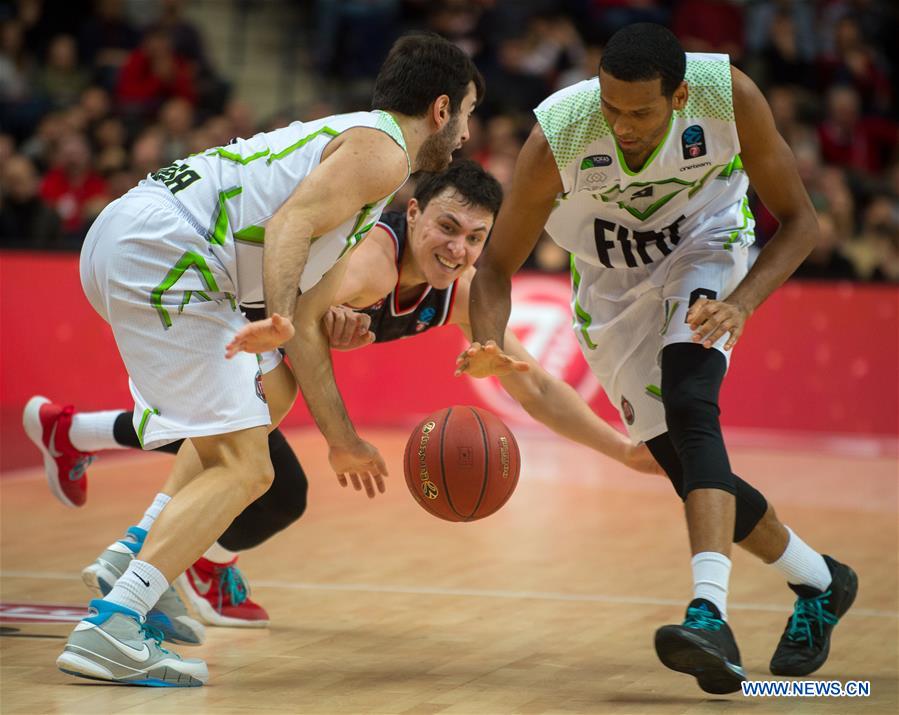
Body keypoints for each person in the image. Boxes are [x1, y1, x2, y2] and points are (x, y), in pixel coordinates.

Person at [26, 160, 662, 632]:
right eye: (447, 227)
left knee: (263, 470)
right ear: (413, 214)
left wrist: (624, 450)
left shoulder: (461, 290)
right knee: (264, 451)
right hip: (217, 310)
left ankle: (77, 441)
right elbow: (296, 331)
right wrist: (342, 426)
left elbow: (535, 384)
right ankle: (143, 553)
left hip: (250, 348)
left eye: (475, 238)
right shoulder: (369, 264)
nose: (458, 249)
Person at [47, 31, 483, 687]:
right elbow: (288, 230)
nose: (468, 135)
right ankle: (114, 622)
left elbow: (306, 325)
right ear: (442, 108)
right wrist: (276, 317)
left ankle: (133, 560)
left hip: (133, 240)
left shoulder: (354, 153)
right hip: (170, 252)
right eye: (468, 114)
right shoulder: (385, 153)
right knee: (249, 467)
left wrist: (342, 440)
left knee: (267, 399)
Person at [459, 23, 857, 693]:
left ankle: (708, 614)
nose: (620, 126)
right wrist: (489, 340)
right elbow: (496, 266)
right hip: (610, 288)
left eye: (639, 112)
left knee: (690, 401)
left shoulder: (727, 97)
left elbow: (801, 223)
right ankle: (820, 580)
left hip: (706, 247)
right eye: (610, 107)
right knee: (682, 462)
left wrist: (741, 303)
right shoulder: (560, 134)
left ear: (678, 98)